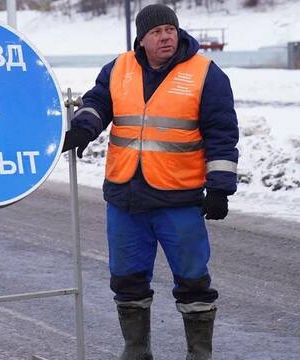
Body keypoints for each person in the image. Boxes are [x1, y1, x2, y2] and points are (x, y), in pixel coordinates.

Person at [62, 4, 239, 360]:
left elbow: (222, 133)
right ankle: (136, 350)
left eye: (170, 30)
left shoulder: (206, 74)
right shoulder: (118, 69)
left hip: (179, 200)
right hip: (126, 199)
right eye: (157, 32)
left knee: (193, 281)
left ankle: (199, 354)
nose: (166, 37)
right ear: (141, 39)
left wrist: (219, 187)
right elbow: (98, 103)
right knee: (127, 281)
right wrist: (84, 127)